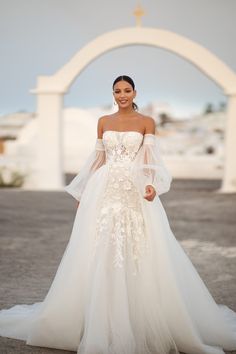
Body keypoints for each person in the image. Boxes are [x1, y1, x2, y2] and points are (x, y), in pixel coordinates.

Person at [0, 75, 236, 354]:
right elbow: (98, 158)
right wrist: (84, 190)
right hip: (105, 188)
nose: (122, 95)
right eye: (117, 91)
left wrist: (151, 184)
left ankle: (137, 316)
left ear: (135, 92)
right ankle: (99, 316)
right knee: (99, 245)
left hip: (134, 189)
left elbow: (150, 159)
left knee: (137, 246)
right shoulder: (104, 121)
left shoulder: (147, 122)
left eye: (126, 90)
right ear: (113, 94)